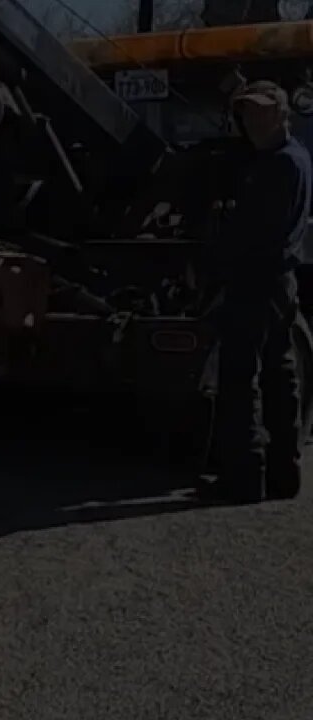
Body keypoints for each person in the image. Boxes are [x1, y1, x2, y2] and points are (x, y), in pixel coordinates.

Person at [210, 80, 312, 503]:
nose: (251, 120)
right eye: (246, 113)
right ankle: (283, 475)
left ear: (281, 114)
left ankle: (245, 478)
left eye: (259, 111)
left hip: (258, 278)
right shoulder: (291, 158)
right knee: (278, 373)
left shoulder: (279, 165)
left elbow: (255, 231)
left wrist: (224, 233)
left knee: (240, 376)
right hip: (279, 281)